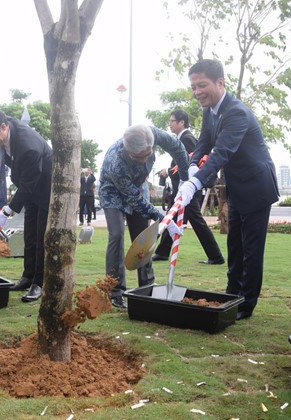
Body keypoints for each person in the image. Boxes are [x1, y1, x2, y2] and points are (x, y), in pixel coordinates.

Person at [175, 59, 279, 320]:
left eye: (202, 85)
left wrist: (197, 183)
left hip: (256, 185)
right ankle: (232, 294)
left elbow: (221, 152)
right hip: (235, 185)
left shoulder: (236, 112)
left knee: (251, 249)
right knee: (234, 244)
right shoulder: (210, 111)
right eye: (193, 87)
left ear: (220, 82)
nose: (197, 92)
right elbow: (204, 143)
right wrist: (189, 168)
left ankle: (246, 305)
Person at [99, 124, 189, 309]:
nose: (143, 161)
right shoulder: (115, 162)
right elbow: (134, 199)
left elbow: (177, 148)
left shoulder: (153, 133)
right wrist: (165, 219)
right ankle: (115, 291)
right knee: (116, 235)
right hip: (113, 191)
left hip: (138, 186)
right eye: (137, 157)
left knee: (143, 237)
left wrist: (185, 178)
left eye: (147, 156)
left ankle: (147, 287)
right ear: (128, 150)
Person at [0, 106, 52, 303]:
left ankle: (39, 283)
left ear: (3, 127)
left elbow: (28, 184)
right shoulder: (2, 125)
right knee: (30, 234)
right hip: (28, 186)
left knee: (41, 236)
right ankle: (27, 276)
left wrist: (7, 211)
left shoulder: (29, 146)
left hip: (45, 188)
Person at [152, 109, 224, 265]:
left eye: (172, 121)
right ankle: (162, 252)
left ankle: (216, 256)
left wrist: (169, 171)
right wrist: (170, 171)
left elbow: (191, 164)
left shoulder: (187, 139)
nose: (169, 124)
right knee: (172, 218)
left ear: (181, 122)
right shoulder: (183, 138)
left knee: (195, 221)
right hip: (184, 188)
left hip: (188, 189)